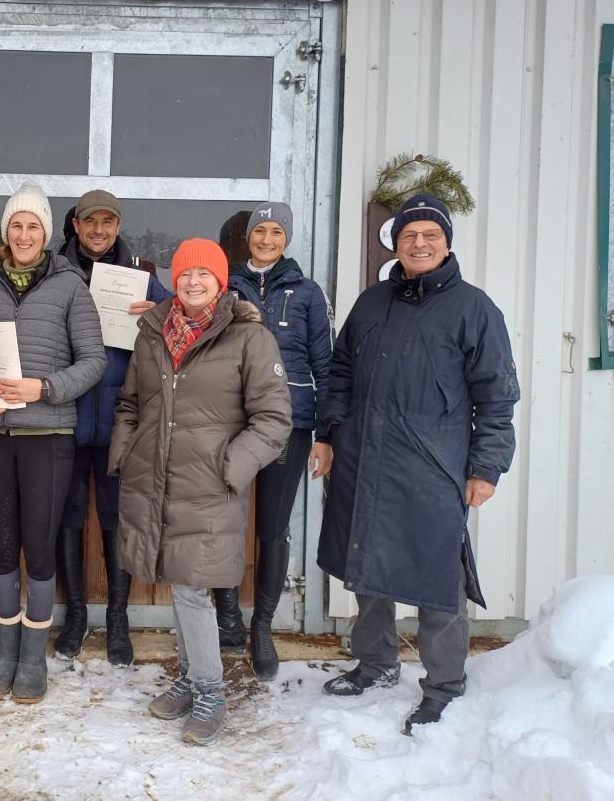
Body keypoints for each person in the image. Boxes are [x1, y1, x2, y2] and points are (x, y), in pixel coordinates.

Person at [318, 194, 519, 735]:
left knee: (438, 581)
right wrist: (330, 434)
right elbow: (340, 373)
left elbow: (496, 397)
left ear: (447, 242)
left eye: (430, 234)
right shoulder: (372, 302)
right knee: (367, 571)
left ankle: (444, 685)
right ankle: (377, 664)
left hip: (434, 467)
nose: (420, 243)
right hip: (365, 458)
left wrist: (486, 467)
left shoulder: (474, 309)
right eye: (409, 236)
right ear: (397, 244)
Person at [110, 238, 291, 746]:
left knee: (191, 585)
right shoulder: (153, 334)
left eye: (203, 275)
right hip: (155, 478)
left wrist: (230, 467)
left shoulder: (248, 338)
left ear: (220, 281)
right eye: (185, 274)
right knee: (174, 576)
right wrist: (126, 453)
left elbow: (274, 418)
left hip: (209, 483)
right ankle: (191, 678)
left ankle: (211, 691)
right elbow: (130, 402)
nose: (192, 282)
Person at [0, 181, 106, 704]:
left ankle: (33, 656)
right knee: (1, 547)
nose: (23, 234)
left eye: (33, 226)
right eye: (15, 225)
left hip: (47, 435)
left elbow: (94, 361)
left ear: (46, 234)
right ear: (5, 231)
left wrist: (44, 387)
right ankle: (5, 652)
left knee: (39, 550)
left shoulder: (70, 287)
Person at [54, 190, 171, 666]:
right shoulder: (54, 271)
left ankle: (117, 620)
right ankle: (76, 615)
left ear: (118, 227)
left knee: (115, 521)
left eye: (108, 222)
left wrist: (159, 316)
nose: (99, 230)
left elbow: (187, 318)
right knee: (67, 518)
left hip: (122, 423)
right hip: (63, 417)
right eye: (90, 222)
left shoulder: (142, 279)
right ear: (76, 226)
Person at [224, 202, 334, 680]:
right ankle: (227, 614)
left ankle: (261, 627)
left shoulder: (307, 293)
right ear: (247, 238)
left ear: (286, 238)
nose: (266, 240)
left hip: (289, 424)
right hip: (229, 420)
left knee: (272, 525)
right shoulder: (226, 285)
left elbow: (326, 365)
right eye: (259, 232)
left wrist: (327, 432)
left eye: (275, 232)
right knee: (222, 518)